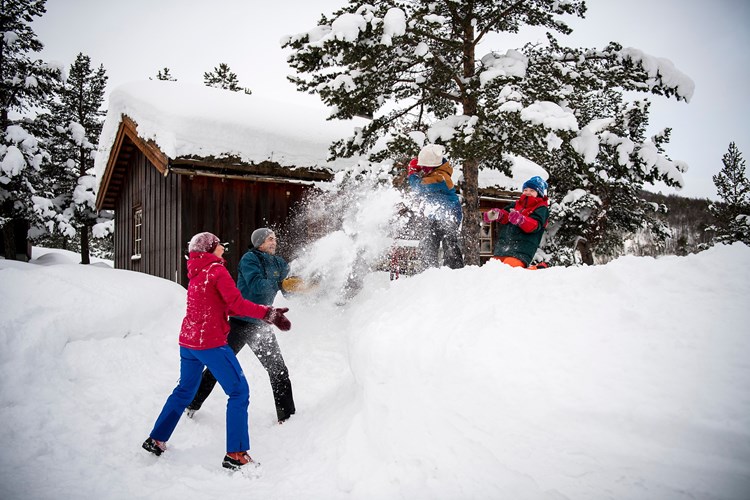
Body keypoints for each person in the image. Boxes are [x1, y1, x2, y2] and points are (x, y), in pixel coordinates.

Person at [141, 232, 292, 470]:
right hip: (209, 342)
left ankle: (156, 438)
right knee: (239, 392)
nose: (223, 246)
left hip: (188, 342)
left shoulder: (196, 271)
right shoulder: (217, 271)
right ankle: (236, 454)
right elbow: (237, 304)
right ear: (210, 249)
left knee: (183, 390)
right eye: (219, 243)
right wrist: (268, 313)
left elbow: (217, 304)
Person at [186, 228, 300, 424]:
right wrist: (281, 283)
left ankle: (287, 416)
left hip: (261, 326)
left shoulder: (279, 263)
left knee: (278, 369)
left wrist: (300, 286)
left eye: (275, 238)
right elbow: (257, 285)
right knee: (217, 368)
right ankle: (191, 404)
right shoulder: (250, 259)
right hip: (240, 324)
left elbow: (287, 287)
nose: (274, 242)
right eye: (270, 239)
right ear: (259, 242)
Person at [406, 143, 464, 269]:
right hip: (434, 215)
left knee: (450, 245)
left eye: (425, 167)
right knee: (428, 243)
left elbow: (419, 187)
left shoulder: (440, 177)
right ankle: (429, 271)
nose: (423, 169)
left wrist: (412, 173)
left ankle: (456, 272)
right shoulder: (435, 173)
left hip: (449, 215)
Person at [483, 176, 550, 269]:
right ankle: (533, 269)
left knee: (510, 269)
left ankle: (534, 270)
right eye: (525, 190)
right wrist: (497, 214)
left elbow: (535, 225)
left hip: (521, 250)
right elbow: (506, 215)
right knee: (491, 269)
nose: (528, 193)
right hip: (503, 248)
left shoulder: (541, 208)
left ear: (539, 193)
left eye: (532, 190)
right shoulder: (516, 204)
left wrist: (521, 220)